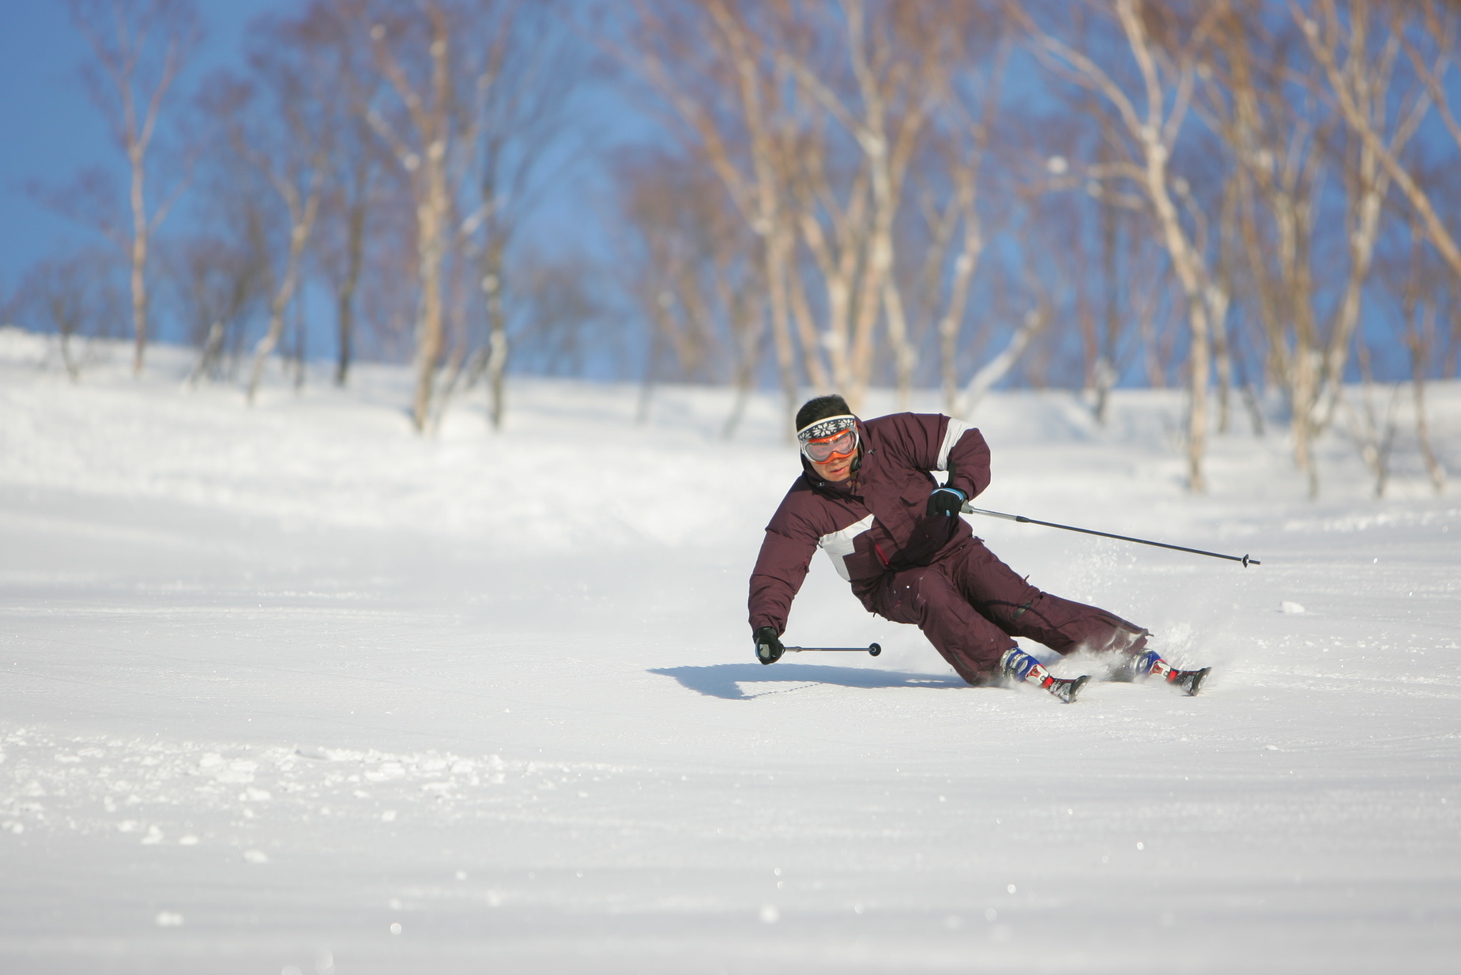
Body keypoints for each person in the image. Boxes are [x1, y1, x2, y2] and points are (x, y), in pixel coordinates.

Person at [747, 394, 1208, 703]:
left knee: (1019, 605)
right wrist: (767, 627)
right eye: (818, 450)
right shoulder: (803, 507)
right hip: (890, 583)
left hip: (952, 546)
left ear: (856, 433)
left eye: (841, 442)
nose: (834, 459)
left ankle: (1125, 646)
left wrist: (959, 489)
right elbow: (776, 569)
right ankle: (998, 662)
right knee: (928, 589)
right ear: (804, 454)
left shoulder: (895, 435)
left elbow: (965, 440)